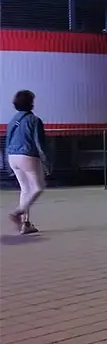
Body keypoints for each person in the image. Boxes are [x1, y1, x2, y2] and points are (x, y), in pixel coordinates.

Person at [5, 89, 48, 235]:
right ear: (30, 103)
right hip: (28, 155)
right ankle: (18, 212)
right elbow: (39, 143)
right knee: (38, 187)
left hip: (12, 156)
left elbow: (8, 140)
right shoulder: (34, 120)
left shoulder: (13, 120)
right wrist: (46, 161)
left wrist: (7, 161)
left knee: (25, 189)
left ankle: (26, 224)